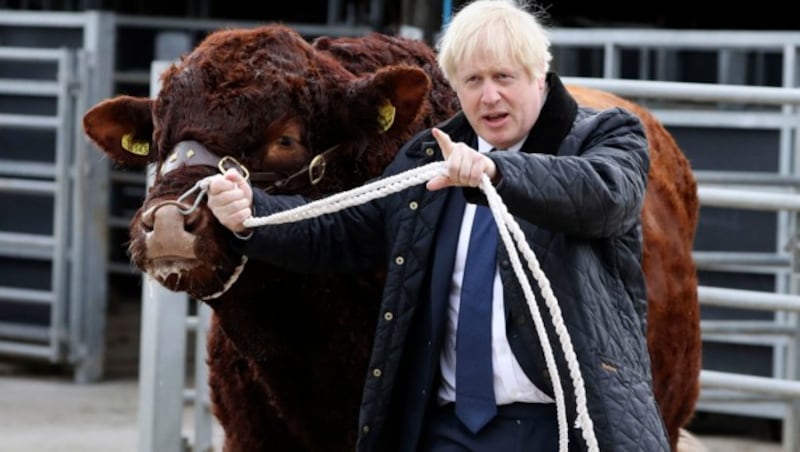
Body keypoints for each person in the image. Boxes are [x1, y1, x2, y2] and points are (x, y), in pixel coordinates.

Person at [206, 0, 670, 450]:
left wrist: (499, 173)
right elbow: (343, 232)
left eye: (503, 77)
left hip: (561, 426)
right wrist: (251, 214)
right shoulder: (428, 156)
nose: (489, 96)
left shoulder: (607, 136)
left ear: (540, 76)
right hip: (445, 430)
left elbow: (605, 196)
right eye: (472, 81)